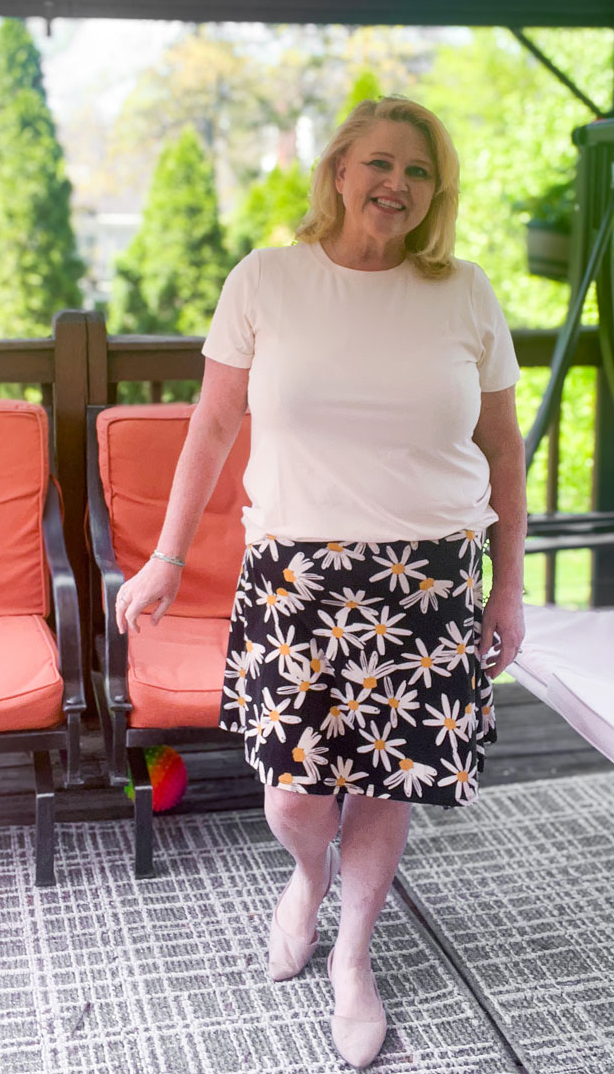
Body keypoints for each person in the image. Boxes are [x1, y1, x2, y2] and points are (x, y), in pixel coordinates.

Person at [115, 96, 526, 1069]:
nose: (397, 184)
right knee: (295, 796)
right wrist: (167, 555)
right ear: (339, 170)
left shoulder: (465, 292)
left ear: (436, 192)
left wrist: (508, 588)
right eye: (380, 162)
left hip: (427, 580)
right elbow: (213, 426)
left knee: (385, 782)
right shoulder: (265, 280)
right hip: (295, 578)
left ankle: (354, 952)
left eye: (419, 171)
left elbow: (505, 452)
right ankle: (307, 876)